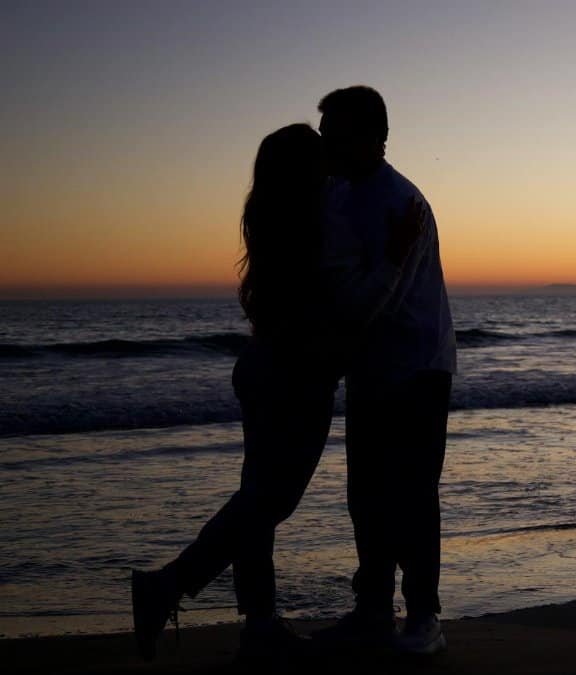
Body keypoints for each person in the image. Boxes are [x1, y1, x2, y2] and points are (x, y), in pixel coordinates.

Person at [129, 122, 423, 665]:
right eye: (320, 158)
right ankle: (167, 587)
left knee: (257, 499)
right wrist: (394, 257)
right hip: (294, 378)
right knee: (267, 502)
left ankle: (258, 625)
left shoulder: (270, 216)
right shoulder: (313, 230)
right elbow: (346, 304)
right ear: (305, 172)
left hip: (265, 369)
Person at [309, 85, 456, 656]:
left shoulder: (402, 204)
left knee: (414, 493)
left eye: (337, 135)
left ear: (374, 138)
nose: (328, 145)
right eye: (325, 135)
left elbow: (375, 304)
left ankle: (424, 616)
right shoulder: (338, 194)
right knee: (366, 494)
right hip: (371, 368)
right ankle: (372, 610)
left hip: (418, 365)